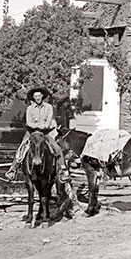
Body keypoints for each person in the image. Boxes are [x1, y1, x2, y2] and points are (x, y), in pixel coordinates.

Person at [8, 86, 82, 215]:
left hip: (46, 131)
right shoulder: (30, 108)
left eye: (39, 96)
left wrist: (42, 128)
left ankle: (63, 170)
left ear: (42, 96)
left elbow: (48, 121)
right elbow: (29, 121)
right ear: (33, 98)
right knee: (22, 146)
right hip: (32, 132)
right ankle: (13, 169)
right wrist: (34, 130)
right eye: (35, 96)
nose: (37, 98)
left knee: (57, 148)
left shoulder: (48, 107)